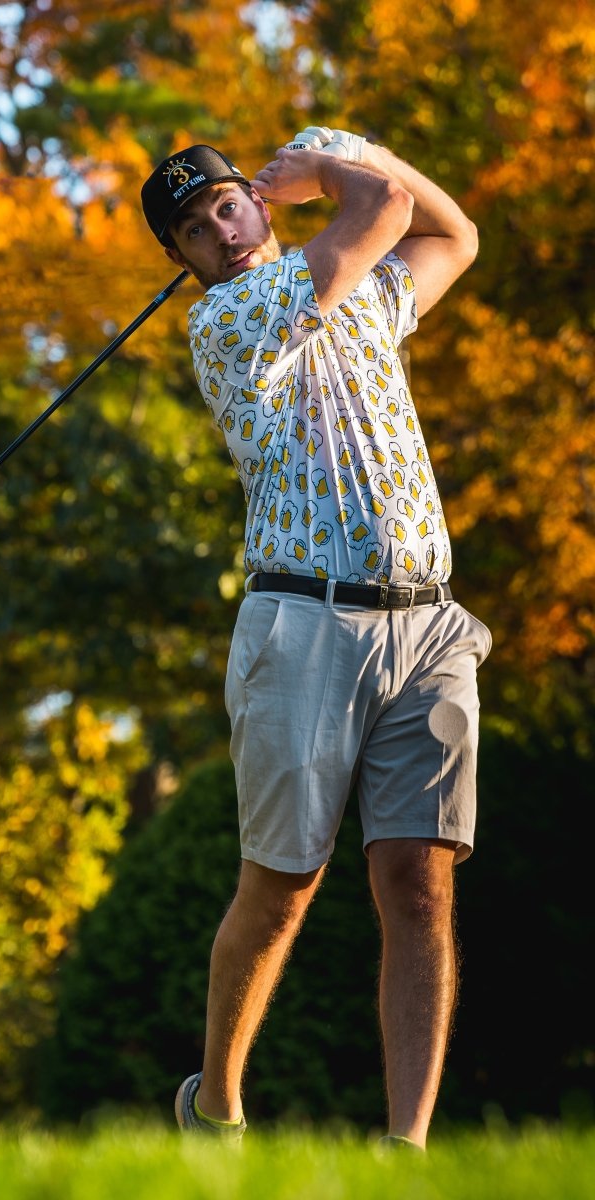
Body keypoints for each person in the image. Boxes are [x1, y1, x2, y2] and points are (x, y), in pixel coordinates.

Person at [139, 128, 491, 1151]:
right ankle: (217, 1107)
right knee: (284, 885)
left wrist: (361, 148)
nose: (219, 229)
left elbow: (453, 232)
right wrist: (333, 163)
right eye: (194, 229)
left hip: (428, 625)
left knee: (420, 889)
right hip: (303, 622)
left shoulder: (366, 299)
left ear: (255, 202)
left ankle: (406, 1151)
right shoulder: (230, 321)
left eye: (227, 204)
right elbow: (382, 208)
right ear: (187, 263)